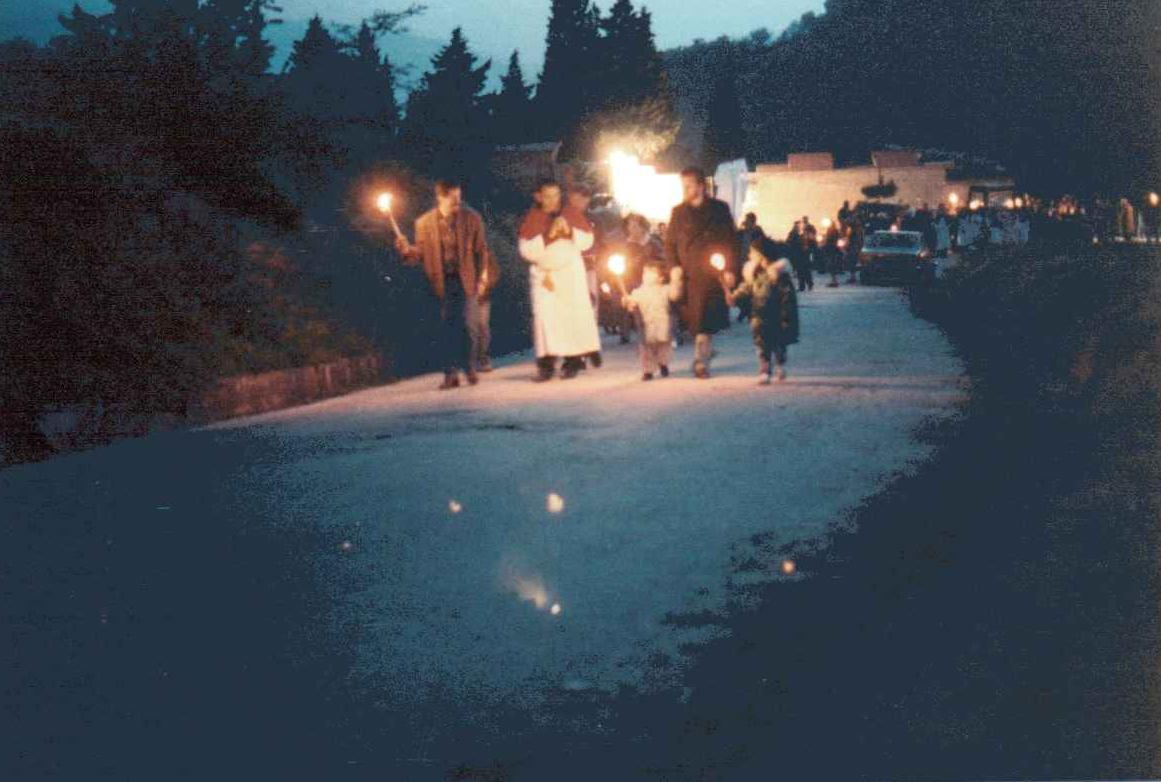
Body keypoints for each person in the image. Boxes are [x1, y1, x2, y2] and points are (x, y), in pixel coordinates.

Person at [395, 178, 492, 390]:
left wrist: (482, 277)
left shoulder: (472, 219)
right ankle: (450, 374)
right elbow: (419, 254)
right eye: (452, 198)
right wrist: (406, 250)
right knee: (446, 328)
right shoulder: (424, 223)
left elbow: (481, 251)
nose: (458, 201)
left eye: (459, 197)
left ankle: (469, 367)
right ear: (440, 197)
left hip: (465, 280)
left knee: (468, 326)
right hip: (440, 282)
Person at [518, 179, 602, 381]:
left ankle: (572, 362)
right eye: (548, 196)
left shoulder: (570, 213)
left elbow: (587, 240)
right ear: (538, 197)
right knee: (545, 319)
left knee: (570, 317)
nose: (553, 200)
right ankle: (546, 366)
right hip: (545, 277)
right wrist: (548, 235)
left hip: (570, 275)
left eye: (556, 195)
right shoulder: (532, 218)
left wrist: (569, 231)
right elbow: (526, 250)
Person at [664, 167, 737, 379]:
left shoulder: (720, 210)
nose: (685, 190)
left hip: (713, 274)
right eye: (683, 186)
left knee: (704, 321)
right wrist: (674, 268)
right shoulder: (678, 212)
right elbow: (669, 244)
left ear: (701, 186)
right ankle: (705, 351)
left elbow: (732, 242)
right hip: (688, 275)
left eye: (688, 186)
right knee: (696, 323)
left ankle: (700, 362)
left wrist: (731, 270)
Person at [727, 240, 799, 385]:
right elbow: (746, 288)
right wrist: (734, 296)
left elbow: (787, 295)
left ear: (762, 255)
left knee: (779, 343)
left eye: (752, 252)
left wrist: (787, 314)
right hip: (759, 315)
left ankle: (779, 363)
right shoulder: (753, 273)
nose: (750, 255)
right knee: (762, 344)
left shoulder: (779, 275)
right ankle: (764, 369)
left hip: (777, 314)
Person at [623, 260, 681, 381]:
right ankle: (648, 370)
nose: (647, 275)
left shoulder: (665, 289)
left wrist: (676, 281)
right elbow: (631, 304)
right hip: (646, 325)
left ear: (660, 277)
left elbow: (675, 295)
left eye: (652, 272)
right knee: (646, 349)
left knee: (664, 347)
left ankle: (663, 363)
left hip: (663, 324)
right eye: (645, 272)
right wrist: (626, 301)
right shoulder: (638, 292)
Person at [568, 184, 605, 367]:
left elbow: (599, 242)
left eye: (585, 200)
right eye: (578, 199)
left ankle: (586, 349)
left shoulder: (591, 220)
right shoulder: (564, 218)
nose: (581, 203)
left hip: (589, 268)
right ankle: (576, 352)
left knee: (591, 309)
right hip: (571, 270)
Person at [472, 246, 501, 373]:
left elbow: (495, 272)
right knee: (472, 328)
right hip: (469, 294)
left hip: (483, 296)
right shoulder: (464, 254)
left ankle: (482, 357)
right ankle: (472, 360)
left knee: (483, 327)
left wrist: (486, 285)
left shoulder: (487, 254)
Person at [736, 212, 767, 321]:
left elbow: (764, 246)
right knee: (741, 289)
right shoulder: (742, 232)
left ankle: (748, 312)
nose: (747, 221)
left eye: (748, 219)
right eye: (746, 219)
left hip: (754, 265)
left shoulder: (758, 232)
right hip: (741, 263)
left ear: (753, 221)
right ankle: (746, 310)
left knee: (752, 290)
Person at [798, 216, 817, 291]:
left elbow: (812, 238)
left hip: (807, 251)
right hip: (805, 251)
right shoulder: (803, 229)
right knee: (805, 269)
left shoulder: (809, 228)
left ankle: (807, 285)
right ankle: (805, 285)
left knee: (806, 269)